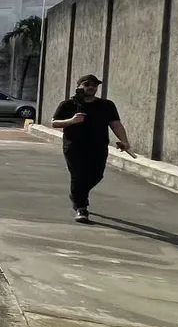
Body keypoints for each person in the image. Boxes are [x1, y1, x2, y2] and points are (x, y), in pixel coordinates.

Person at [50, 74, 130, 223]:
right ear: (79, 86)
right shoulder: (68, 104)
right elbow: (54, 123)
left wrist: (124, 141)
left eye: (95, 85)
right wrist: (72, 121)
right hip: (74, 146)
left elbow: (116, 124)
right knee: (78, 176)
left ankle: (76, 194)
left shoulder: (107, 105)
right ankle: (81, 208)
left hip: (98, 146)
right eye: (87, 84)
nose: (91, 87)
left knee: (97, 175)